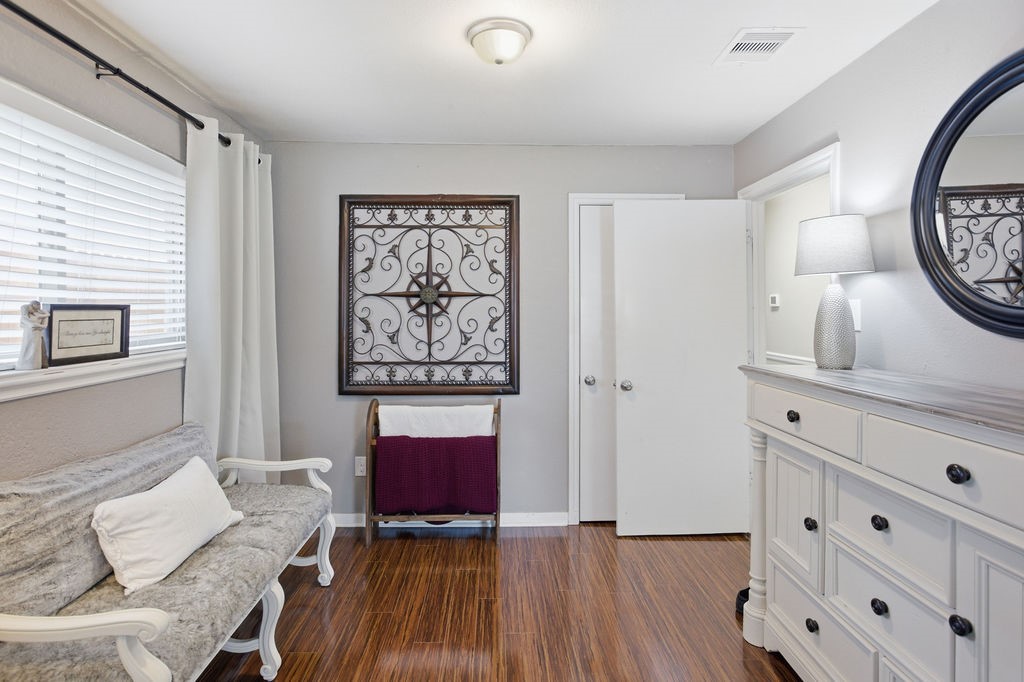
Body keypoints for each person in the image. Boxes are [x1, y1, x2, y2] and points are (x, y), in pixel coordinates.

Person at [15, 300, 49, 370]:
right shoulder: (25, 316)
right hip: (27, 334)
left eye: (38, 306)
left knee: (35, 349)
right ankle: (23, 364)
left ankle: (35, 365)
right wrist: (35, 325)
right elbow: (26, 324)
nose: (30, 308)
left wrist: (37, 325)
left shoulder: (41, 315)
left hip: (37, 334)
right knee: (26, 348)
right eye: (30, 306)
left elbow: (44, 326)